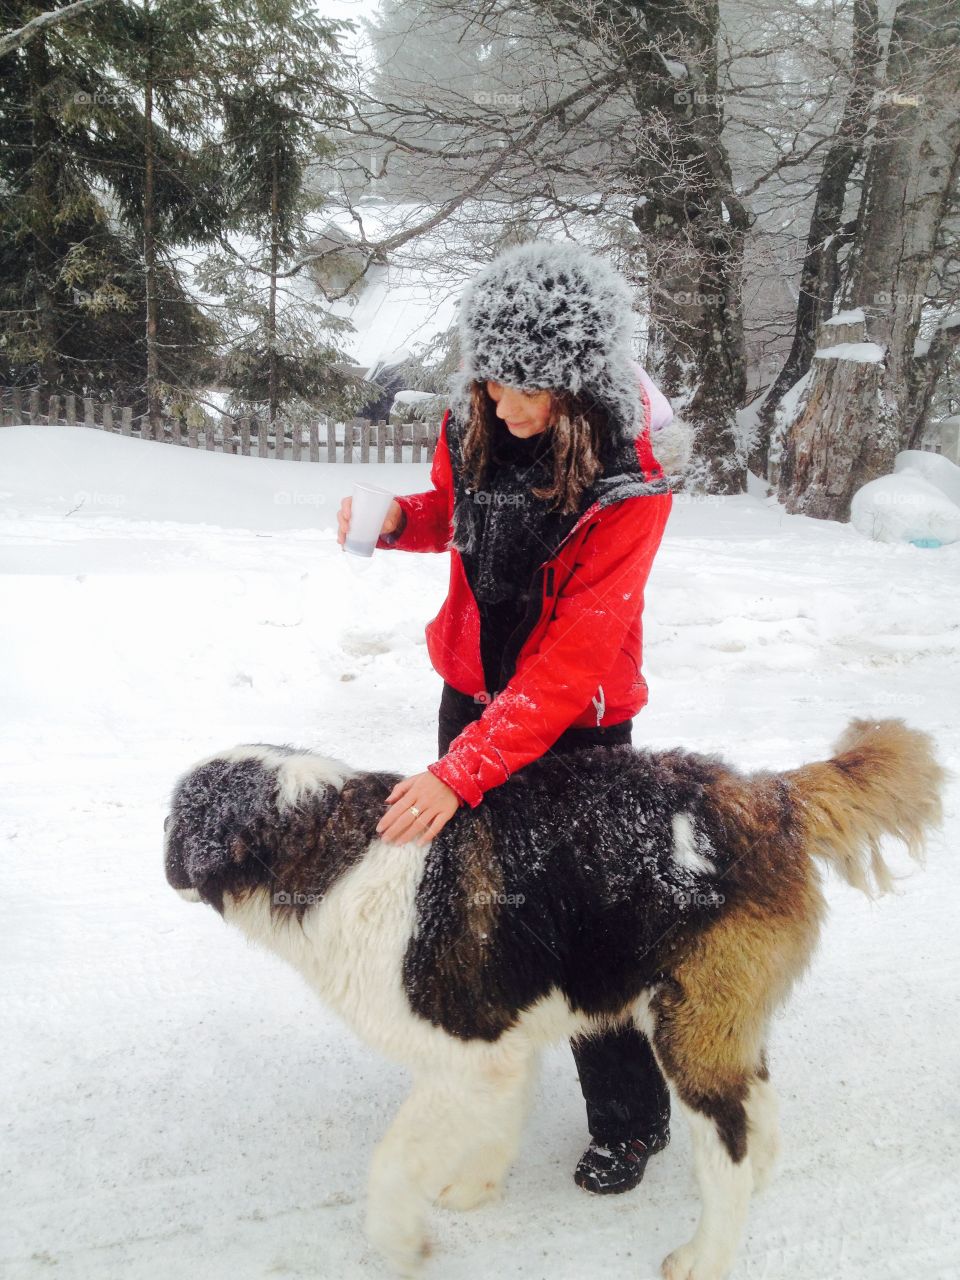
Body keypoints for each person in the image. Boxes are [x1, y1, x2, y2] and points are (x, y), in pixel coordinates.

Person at [337, 239, 674, 1195]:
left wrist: (459, 773)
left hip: (578, 723)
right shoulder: (473, 420)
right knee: (479, 894)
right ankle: (481, 1059)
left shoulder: (630, 476)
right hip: (472, 693)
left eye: (529, 389)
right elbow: (459, 510)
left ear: (579, 382)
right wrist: (402, 520)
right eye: (491, 380)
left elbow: (574, 662)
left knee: (591, 918)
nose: (504, 405)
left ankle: (630, 1114)